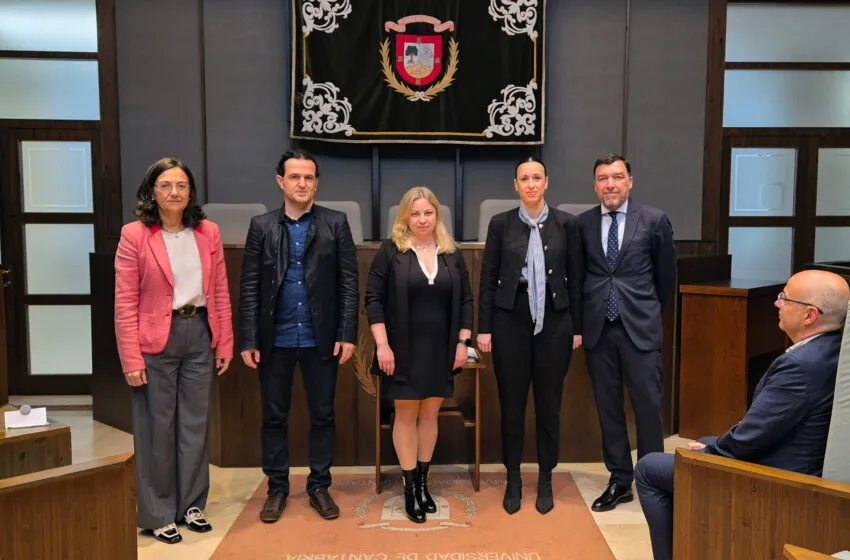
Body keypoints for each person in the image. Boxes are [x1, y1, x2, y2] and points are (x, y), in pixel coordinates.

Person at [635, 269, 850, 560]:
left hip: (779, 481)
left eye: (784, 298)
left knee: (649, 468)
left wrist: (713, 448)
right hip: (795, 462)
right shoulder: (833, 349)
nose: (777, 303)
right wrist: (713, 444)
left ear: (809, 315)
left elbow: (750, 438)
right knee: (702, 443)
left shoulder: (801, 366)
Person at [114, 157, 233, 544]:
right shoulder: (134, 235)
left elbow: (219, 292)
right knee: (156, 428)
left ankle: (192, 504)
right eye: (166, 185)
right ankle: (158, 512)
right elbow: (124, 301)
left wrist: (225, 341)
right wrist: (131, 357)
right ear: (151, 191)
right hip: (154, 341)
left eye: (182, 186)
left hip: (198, 332)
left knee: (195, 426)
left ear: (191, 192)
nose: (174, 192)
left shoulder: (207, 232)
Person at [239, 149, 359, 524]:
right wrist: (248, 338)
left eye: (308, 177)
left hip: (320, 338)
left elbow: (349, 284)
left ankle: (319, 485)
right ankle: (276, 488)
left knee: (323, 416)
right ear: (281, 181)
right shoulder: (261, 226)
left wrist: (347, 333)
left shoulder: (335, 223)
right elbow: (249, 287)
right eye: (295, 177)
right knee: (274, 417)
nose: (302, 184)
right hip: (274, 339)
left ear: (316, 182)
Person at [476, 157, 584, 515]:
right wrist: (485, 327)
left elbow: (578, 281)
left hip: (556, 321)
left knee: (549, 405)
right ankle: (513, 478)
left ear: (547, 182)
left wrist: (578, 327)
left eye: (537, 177)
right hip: (510, 320)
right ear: (516, 185)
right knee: (512, 404)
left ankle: (546, 478)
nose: (531, 183)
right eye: (525, 178)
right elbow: (487, 279)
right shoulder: (500, 224)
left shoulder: (567, 224)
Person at [365, 187, 474, 523]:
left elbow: (467, 301)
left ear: (437, 216)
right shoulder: (391, 251)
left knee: (430, 414)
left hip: (442, 349)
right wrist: (382, 345)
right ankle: (409, 486)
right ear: (404, 217)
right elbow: (373, 300)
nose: (422, 220)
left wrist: (462, 342)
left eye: (428, 213)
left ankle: (424, 483)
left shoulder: (451, 253)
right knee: (406, 414)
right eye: (415, 213)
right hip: (401, 349)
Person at [576, 153, 677, 513]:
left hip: (640, 328)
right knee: (608, 409)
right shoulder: (583, 224)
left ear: (630, 181)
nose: (611, 184)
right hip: (599, 330)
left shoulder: (653, 220)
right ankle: (620, 480)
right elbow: (580, 278)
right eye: (603, 178)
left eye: (617, 177)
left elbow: (666, 281)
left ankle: (656, 481)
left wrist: (644, 310)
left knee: (649, 407)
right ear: (595, 186)